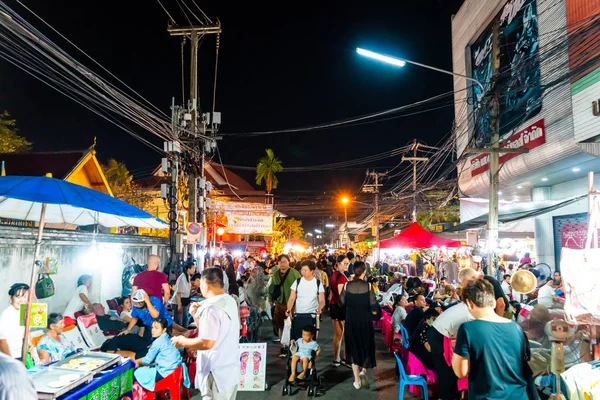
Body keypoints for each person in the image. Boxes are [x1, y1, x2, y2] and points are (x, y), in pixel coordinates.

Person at [452, 279, 530, 400]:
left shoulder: (468, 329)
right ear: (493, 302)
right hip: (519, 395)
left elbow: (461, 372)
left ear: (469, 303)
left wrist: (457, 350)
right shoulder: (516, 327)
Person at [172, 267, 239, 400]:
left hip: (216, 373)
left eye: (200, 284)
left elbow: (207, 342)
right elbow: (209, 331)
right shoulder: (228, 300)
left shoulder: (211, 309)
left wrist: (182, 341)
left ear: (206, 284)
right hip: (230, 370)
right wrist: (196, 316)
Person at [101, 289, 174, 359]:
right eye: (134, 303)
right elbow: (134, 317)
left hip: (163, 326)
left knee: (163, 344)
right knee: (150, 346)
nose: (135, 305)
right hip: (150, 327)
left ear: (143, 301)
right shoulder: (136, 306)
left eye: (137, 303)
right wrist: (128, 330)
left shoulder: (154, 300)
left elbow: (155, 315)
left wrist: (148, 302)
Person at [338, 262, 377, 390]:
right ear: (364, 271)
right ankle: (363, 371)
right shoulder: (368, 286)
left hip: (352, 320)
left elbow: (341, 303)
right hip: (365, 320)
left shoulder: (346, 286)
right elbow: (373, 305)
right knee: (366, 346)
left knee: (353, 348)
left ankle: (356, 381)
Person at [428, 301, 474, 400]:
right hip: (439, 335)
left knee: (446, 370)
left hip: (438, 333)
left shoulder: (465, 306)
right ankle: (445, 396)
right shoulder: (472, 313)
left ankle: (449, 395)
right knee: (445, 370)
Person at [134, 318, 182, 391]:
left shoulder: (158, 342)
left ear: (164, 330)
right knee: (148, 367)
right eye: (152, 327)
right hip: (175, 370)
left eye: (156, 328)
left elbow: (147, 360)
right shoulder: (167, 337)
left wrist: (137, 361)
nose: (153, 330)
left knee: (136, 372)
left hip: (167, 373)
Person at [269, 254, 301, 356]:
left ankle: (293, 346)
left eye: (284, 261)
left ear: (288, 262)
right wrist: (270, 299)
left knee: (292, 325)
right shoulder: (275, 274)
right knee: (280, 326)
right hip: (279, 303)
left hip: (292, 304)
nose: (282, 264)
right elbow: (271, 288)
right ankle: (283, 346)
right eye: (280, 262)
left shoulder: (294, 273)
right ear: (278, 263)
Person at [286, 260, 325, 339]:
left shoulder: (318, 283)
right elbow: (292, 298)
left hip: (312, 315)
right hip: (298, 315)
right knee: (298, 338)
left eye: (305, 270)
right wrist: (288, 309)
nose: (303, 272)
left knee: (310, 339)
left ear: (312, 271)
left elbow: (322, 300)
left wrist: (320, 308)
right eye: (302, 270)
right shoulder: (297, 282)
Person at [330, 255, 349, 367]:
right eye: (345, 263)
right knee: (343, 333)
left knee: (338, 334)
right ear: (338, 263)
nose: (347, 265)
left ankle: (337, 358)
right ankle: (345, 358)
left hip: (334, 305)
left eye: (348, 263)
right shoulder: (341, 277)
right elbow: (342, 295)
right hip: (340, 307)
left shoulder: (334, 274)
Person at [0, 283, 29, 359]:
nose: (22, 300)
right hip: (13, 357)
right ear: (11, 298)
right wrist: (10, 360)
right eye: (18, 297)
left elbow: (27, 333)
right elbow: (2, 340)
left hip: (23, 355)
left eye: (25, 296)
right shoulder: (7, 315)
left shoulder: (24, 312)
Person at [172, 262, 196, 328]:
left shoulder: (188, 276)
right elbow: (178, 293)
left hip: (184, 302)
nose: (194, 269)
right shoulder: (182, 277)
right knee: (179, 322)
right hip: (179, 302)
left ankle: (184, 335)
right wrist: (179, 306)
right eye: (193, 268)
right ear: (188, 269)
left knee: (185, 320)